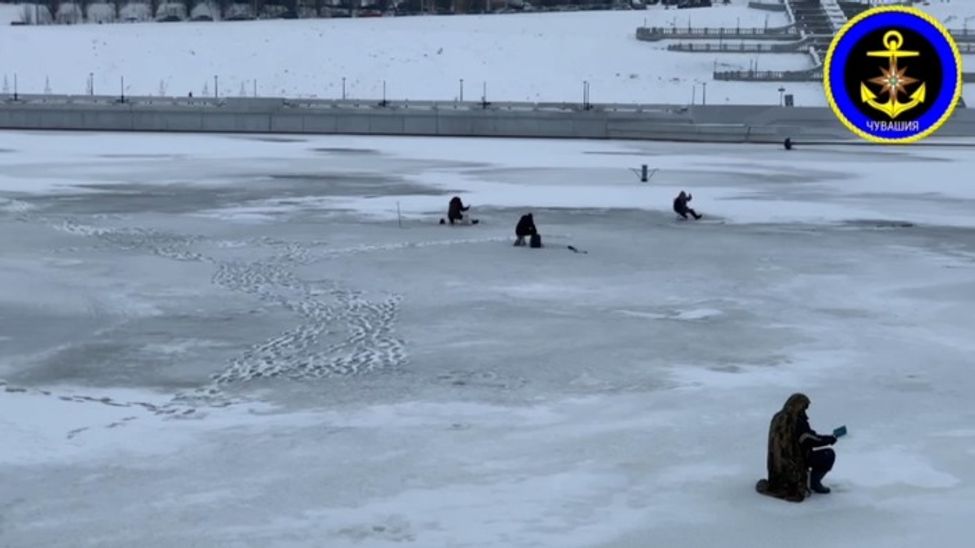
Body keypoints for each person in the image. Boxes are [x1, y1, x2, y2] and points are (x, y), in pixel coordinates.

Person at [764, 393, 837, 502]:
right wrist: (829, 439)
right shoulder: (796, 420)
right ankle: (814, 483)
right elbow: (807, 439)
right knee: (829, 455)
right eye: (804, 407)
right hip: (794, 461)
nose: (804, 410)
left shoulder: (778, 417)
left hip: (777, 464)